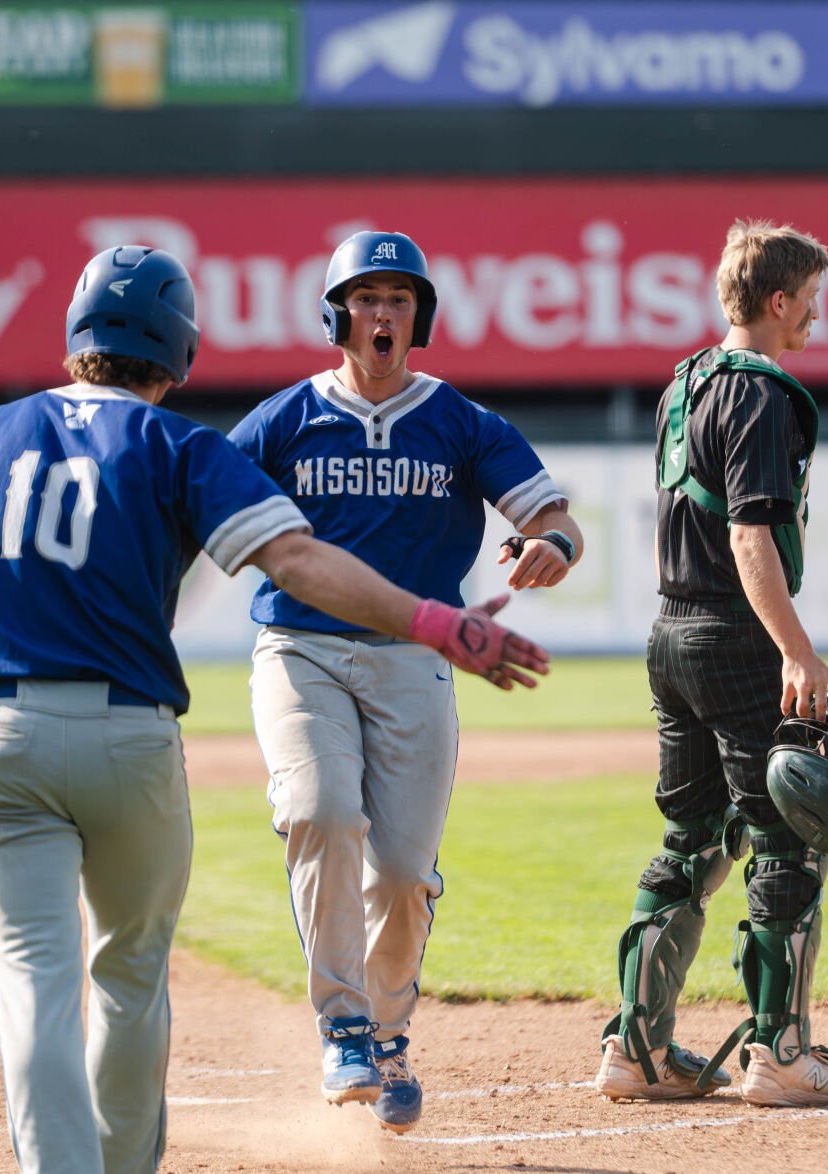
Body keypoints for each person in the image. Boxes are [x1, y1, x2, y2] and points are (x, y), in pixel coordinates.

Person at [0, 246, 551, 1174]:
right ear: (179, 349)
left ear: (76, 334)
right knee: (128, 976)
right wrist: (435, 621)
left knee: (35, 985)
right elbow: (305, 566)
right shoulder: (182, 448)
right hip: (131, 745)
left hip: (0, 748)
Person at [226, 230, 584, 1133]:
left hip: (415, 661)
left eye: (398, 300)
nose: (382, 314)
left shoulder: (457, 420)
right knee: (319, 813)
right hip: (299, 650)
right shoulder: (281, 418)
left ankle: (387, 1036)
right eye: (366, 298)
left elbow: (550, 514)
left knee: (398, 874)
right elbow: (200, 501)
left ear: (418, 318)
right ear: (335, 313)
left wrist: (550, 546)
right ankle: (341, 1022)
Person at [593, 219, 828, 1108]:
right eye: (810, 303)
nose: (815, 320)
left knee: (691, 838)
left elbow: (677, 521)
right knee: (784, 840)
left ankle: (635, 1052)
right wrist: (795, 650)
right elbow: (749, 532)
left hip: (671, 631)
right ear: (776, 299)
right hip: (734, 635)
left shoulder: (683, 383)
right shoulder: (761, 392)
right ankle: (782, 1057)